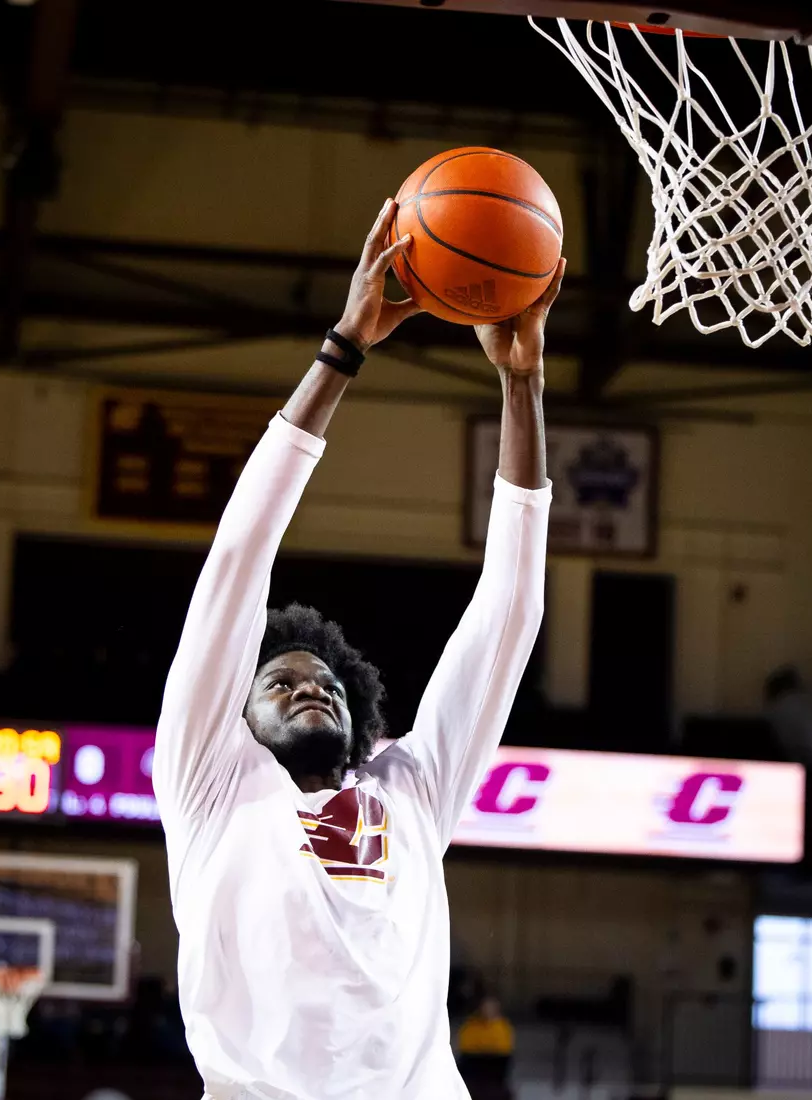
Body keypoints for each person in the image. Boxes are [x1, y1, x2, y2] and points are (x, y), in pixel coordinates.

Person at [153, 197, 563, 1100]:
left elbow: (509, 612)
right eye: (282, 680)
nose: (313, 687)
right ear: (236, 717)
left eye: (325, 679)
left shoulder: (411, 790)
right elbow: (238, 559)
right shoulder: (208, 785)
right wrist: (342, 349)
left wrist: (521, 384)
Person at [457, 995, 516, 1099]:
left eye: (492, 1007)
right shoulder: (471, 1025)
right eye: (486, 1007)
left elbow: (504, 1048)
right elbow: (466, 1047)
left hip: (494, 1069)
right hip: (473, 1067)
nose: (488, 1010)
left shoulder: (503, 1026)